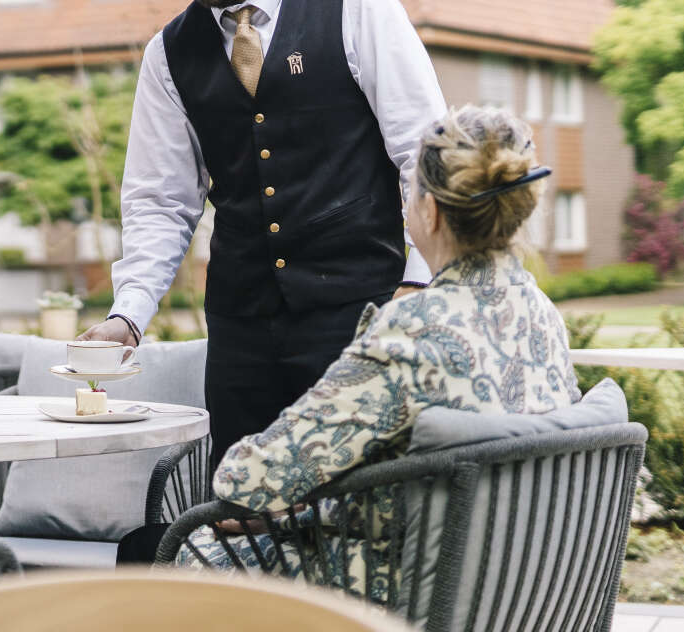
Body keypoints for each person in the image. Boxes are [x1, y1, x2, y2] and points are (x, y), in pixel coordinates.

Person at [79, 0, 446, 467]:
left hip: (363, 316)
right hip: (242, 331)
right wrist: (129, 316)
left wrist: (416, 282)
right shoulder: (167, 55)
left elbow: (426, 155)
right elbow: (159, 201)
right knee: (244, 516)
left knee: (361, 507)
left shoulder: (355, 2)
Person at [193, 103, 577, 570]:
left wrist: (299, 501)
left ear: (430, 211)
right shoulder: (542, 314)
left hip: (403, 608)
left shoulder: (412, 328)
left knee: (194, 556)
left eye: (410, 192)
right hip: (521, 596)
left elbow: (246, 479)